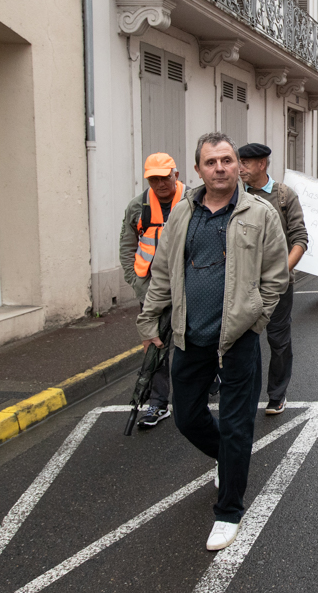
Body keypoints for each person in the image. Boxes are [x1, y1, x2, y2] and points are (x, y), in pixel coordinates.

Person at [136, 132, 289, 551]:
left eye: (226, 160)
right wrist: (150, 319)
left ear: (238, 166)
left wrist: (256, 318)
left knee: (239, 424)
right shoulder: (183, 214)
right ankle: (227, 457)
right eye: (211, 162)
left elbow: (276, 275)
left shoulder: (260, 213)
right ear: (199, 169)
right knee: (186, 416)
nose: (220, 168)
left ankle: (229, 511)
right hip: (190, 333)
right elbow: (164, 272)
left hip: (238, 336)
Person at [238, 143, 310, 415]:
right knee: (241, 340)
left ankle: (277, 395)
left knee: (278, 340)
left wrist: (282, 274)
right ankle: (244, 393)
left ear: (262, 164)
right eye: (239, 162)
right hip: (242, 285)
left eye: (245, 162)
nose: (240, 167)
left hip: (279, 286)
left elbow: (300, 239)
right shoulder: (235, 195)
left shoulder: (283, 195)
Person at [118, 152, 185, 428]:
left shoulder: (194, 200)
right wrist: (138, 286)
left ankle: (199, 388)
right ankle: (158, 403)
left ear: (176, 175)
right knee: (155, 345)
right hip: (150, 288)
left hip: (186, 285)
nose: (159, 183)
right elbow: (127, 249)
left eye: (164, 177)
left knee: (191, 340)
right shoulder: (138, 207)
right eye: (153, 179)